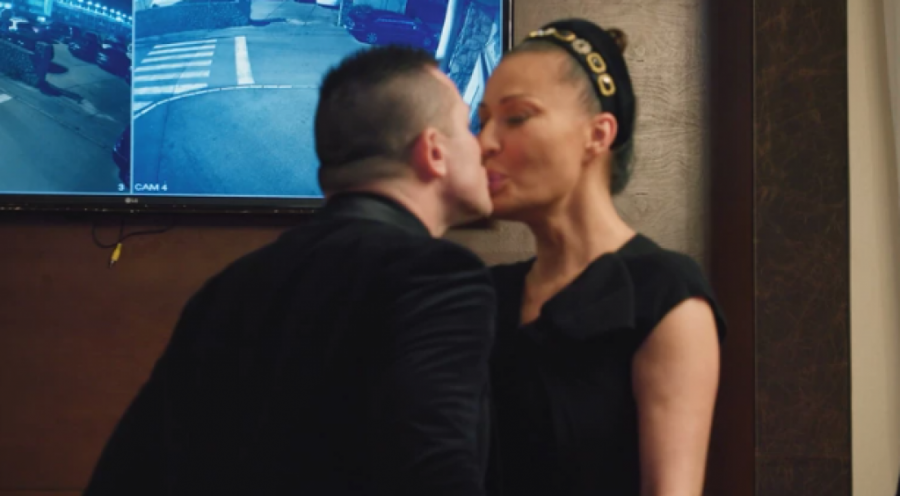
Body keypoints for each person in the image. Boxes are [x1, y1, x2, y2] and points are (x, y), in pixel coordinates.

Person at [84, 45, 495, 496]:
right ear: (433, 151)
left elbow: (125, 473)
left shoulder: (228, 287)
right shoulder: (436, 277)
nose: (484, 145)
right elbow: (437, 475)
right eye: (467, 127)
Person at [477, 19, 727, 496]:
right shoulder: (488, 294)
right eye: (483, 120)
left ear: (598, 134)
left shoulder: (662, 294)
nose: (485, 142)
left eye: (516, 117)